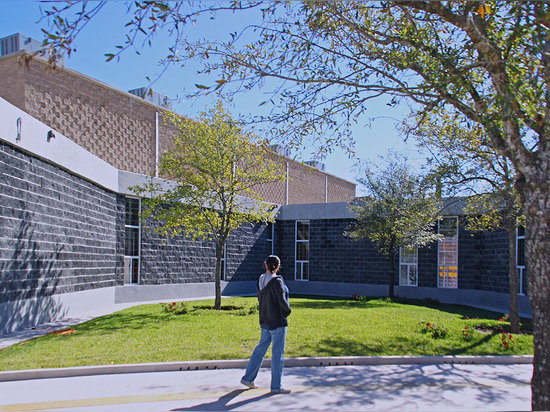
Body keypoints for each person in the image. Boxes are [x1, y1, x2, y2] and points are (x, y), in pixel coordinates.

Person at [241, 255, 292, 394]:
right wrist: (287, 312)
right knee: (277, 354)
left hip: (265, 320)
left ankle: (248, 378)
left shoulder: (261, 279)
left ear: (266, 265)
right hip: (278, 322)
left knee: (260, 349)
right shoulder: (277, 281)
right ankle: (276, 386)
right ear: (277, 266)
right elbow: (282, 301)